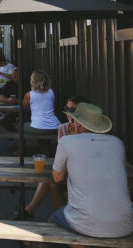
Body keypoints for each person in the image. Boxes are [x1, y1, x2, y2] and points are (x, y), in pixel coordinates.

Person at [50, 103, 133, 241]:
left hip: (85, 224)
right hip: (125, 224)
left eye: (73, 121)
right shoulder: (117, 143)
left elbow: (57, 178)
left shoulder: (66, 141)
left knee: (53, 220)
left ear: (79, 124)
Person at [21, 96, 89, 220]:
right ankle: (64, 216)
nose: (68, 112)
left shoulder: (89, 130)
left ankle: (28, 211)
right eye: (66, 108)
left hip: (82, 171)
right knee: (52, 180)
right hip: (66, 168)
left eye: (72, 110)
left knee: (52, 180)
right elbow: (61, 154)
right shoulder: (63, 128)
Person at [22, 70, 61, 155]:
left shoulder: (29, 95)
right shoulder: (51, 92)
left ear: (33, 81)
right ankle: (45, 151)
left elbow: (24, 109)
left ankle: (21, 150)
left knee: (19, 126)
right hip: (55, 126)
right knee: (41, 127)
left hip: (39, 127)